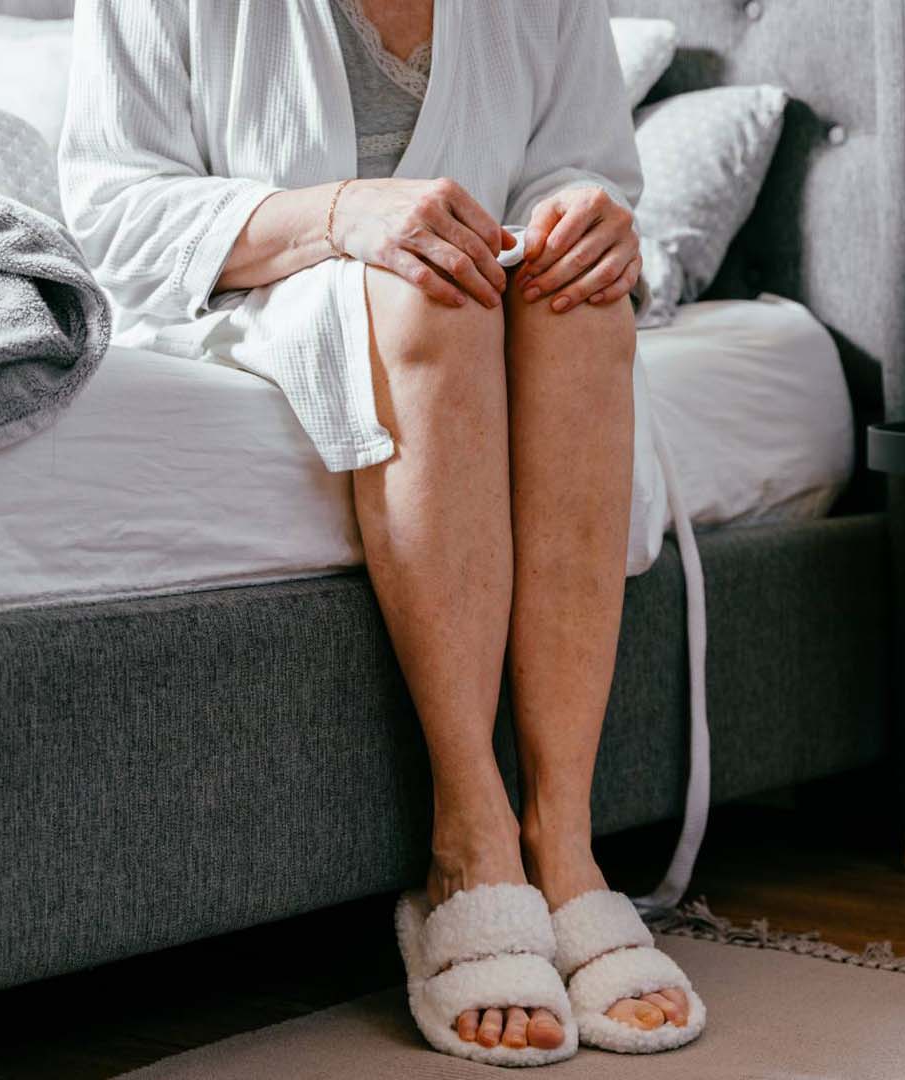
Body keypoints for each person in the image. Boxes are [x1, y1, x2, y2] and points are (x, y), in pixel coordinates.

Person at [59, 0, 701, 1065]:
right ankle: (471, 841)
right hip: (255, 293)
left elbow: (575, 164)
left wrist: (582, 211)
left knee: (588, 311)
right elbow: (109, 209)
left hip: (493, 294)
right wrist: (343, 212)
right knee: (427, 300)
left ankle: (567, 842)